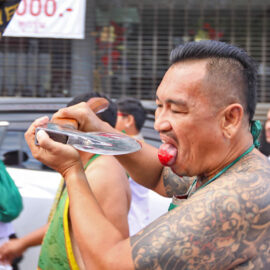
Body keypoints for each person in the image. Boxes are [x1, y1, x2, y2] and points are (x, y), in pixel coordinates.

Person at [25, 40, 270, 269]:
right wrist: (98, 128)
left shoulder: (242, 193)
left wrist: (71, 170)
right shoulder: (217, 165)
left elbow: (111, 263)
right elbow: (157, 174)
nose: (159, 124)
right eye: (160, 106)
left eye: (176, 109)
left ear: (230, 118)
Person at [0, 92, 131, 269]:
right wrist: (22, 243)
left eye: (68, 122)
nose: (59, 130)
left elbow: (111, 256)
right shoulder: (79, 165)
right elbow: (73, 224)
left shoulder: (103, 171)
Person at [116, 97, 150, 235]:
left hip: (130, 228)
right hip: (135, 225)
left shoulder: (132, 150)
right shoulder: (140, 147)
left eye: (115, 116)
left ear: (129, 120)